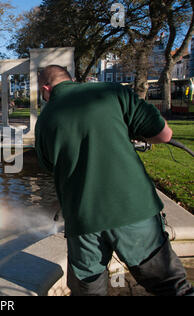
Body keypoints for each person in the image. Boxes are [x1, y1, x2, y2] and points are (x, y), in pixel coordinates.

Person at [35, 65, 193, 296]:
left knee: (88, 291)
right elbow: (164, 134)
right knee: (172, 287)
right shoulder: (111, 92)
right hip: (134, 209)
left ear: (45, 89)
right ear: (72, 79)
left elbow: (50, 166)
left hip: (83, 221)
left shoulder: (44, 120)